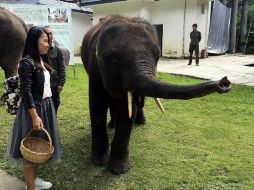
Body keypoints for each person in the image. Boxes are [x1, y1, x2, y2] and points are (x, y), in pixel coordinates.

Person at [6, 26, 62, 190]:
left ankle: (34, 180)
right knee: (30, 147)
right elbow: (26, 91)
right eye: (44, 41)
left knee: (38, 146)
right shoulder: (26, 62)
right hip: (34, 109)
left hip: (45, 105)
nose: (48, 44)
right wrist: (35, 116)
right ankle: (30, 187)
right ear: (33, 41)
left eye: (48, 41)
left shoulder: (41, 60)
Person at [43, 26, 66, 114]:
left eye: (51, 33)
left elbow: (62, 67)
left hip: (53, 84)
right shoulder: (38, 49)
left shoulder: (58, 50)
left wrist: (61, 83)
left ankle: (53, 123)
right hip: (42, 82)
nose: (49, 35)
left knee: (55, 104)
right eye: (47, 33)